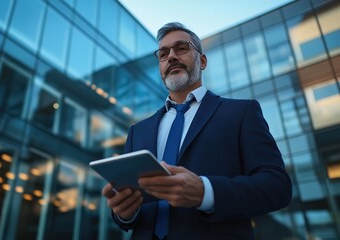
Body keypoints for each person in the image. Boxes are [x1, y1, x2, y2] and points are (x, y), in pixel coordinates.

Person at [102, 22, 292, 240]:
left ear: (202, 61)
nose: (171, 56)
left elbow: (277, 187)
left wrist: (205, 191)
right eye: (163, 54)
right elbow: (130, 212)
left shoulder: (241, 112)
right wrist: (125, 212)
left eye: (181, 48)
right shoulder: (138, 131)